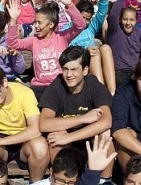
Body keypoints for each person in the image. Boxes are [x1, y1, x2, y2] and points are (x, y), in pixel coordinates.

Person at [38, 46, 113, 175]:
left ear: (85, 70)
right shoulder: (57, 86)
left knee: (104, 135)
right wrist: (83, 118)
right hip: (65, 141)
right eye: (65, 69)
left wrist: (70, 137)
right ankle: (61, 180)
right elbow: (44, 124)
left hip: (88, 138)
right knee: (55, 137)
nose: (69, 75)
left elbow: (106, 121)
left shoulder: (94, 85)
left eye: (73, 69)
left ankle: (104, 182)